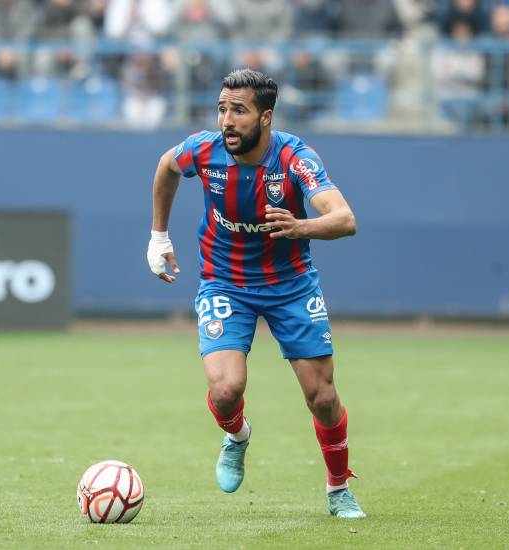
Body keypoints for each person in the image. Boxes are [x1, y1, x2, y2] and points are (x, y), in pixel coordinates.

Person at [146, 69, 364, 519]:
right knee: (226, 389)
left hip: (290, 285)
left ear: (266, 117)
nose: (227, 120)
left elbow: (345, 219)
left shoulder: (296, 157)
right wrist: (158, 235)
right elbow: (167, 167)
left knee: (322, 397)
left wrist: (301, 226)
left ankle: (339, 488)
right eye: (222, 109)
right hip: (225, 281)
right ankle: (238, 435)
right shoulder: (203, 149)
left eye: (239, 111)